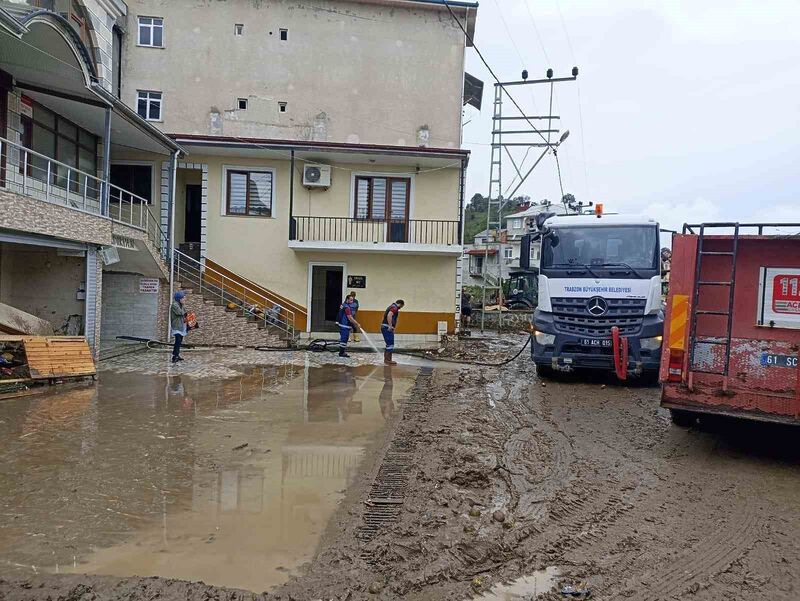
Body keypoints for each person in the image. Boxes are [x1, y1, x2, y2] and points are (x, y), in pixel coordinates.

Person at [337, 294, 362, 358]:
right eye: (351, 300)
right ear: (347, 299)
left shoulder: (343, 305)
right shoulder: (347, 307)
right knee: (344, 339)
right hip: (344, 325)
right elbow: (350, 317)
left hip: (341, 324)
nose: (352, 302)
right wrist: (357, 324)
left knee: (343, 339)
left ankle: (342, 352)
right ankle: (341, 353)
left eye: (352, 300)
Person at [381, 299, 405, 365]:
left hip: (384, 326)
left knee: (389, 344)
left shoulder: (391, 306)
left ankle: (387, 359)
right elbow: (389, 315)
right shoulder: (394, 308)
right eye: (401, 306)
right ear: (400, 304)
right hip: (387, 327)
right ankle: (388, 360)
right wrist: (390, 326)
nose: (400, 308)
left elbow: (386, 316)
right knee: (390, 344)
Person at [170, 290, 188, 363]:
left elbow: (185, 313)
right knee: (178, 341)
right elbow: (180, 312)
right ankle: (174, 357)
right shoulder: (174, 305)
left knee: (180, 341)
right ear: (179, 298)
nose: (185, 299)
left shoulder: (181, 304)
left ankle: (176, 354)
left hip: (181, 326)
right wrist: (184, 310)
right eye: (183, 298)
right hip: (176, 326)